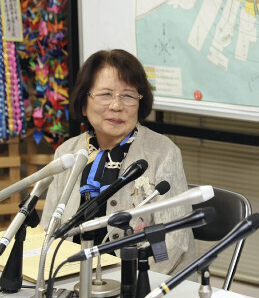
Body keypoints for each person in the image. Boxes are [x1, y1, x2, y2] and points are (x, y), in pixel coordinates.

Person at [40, 49, 195, 275]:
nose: (116, 106)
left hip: (145, 283)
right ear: (84, 103)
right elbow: (48, 231)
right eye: (105, 95)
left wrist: (127, 285)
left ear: (140, 104)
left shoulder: (162, 153)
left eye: (128, 96)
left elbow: (174, 241)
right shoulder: (67, 152)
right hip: (71, 279)